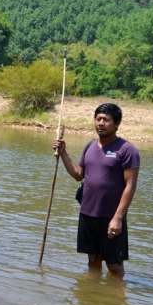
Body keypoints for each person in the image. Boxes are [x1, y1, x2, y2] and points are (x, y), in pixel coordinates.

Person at [54, 103, 140, 280]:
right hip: (87, 213)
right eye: (98, 118)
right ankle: (92, 300)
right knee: (93, 260)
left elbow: (130, 186)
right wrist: (63, 153)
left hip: (111, 217)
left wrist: (117, 219)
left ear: (117, 124)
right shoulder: (90, 146)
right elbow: (78, 175)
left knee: (114, 266)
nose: (101, 123)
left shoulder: (127, 149)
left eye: (106, 120)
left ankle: (115, 304)